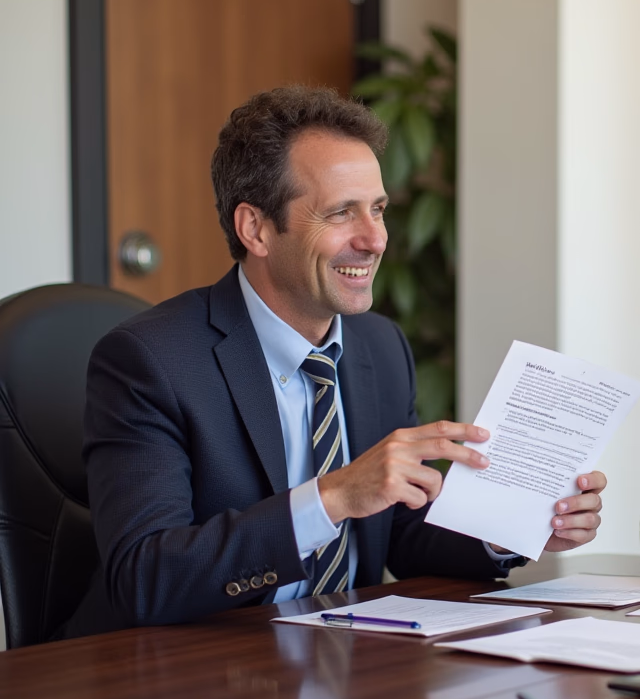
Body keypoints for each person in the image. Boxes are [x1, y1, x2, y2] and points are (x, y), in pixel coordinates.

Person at [63, 86, 605, 636]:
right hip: (194, 664)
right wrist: (334, 497)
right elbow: (144, 579)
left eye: (378, 210)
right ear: (255, 229)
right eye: (342, 213)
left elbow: (399, 533)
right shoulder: (150, 360)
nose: (375, 240)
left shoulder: (380, 346)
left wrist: (509, 532)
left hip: (341, 653)